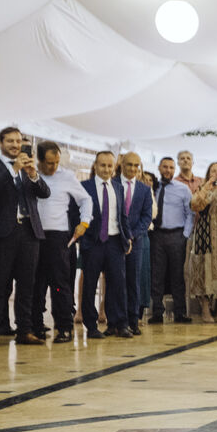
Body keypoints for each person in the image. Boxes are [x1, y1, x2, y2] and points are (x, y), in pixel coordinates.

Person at [0, 126, 50, 346]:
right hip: (3, 233)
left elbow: (45, 193)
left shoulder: (27, 169)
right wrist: (14, 169)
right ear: (0, 143)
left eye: (18, 141)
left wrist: (33, 174)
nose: (15, 145)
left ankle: (24, 330)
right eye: (10, 141)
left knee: (27, 285)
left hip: (29, 232)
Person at [32, 142, 91, 343]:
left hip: (57, 236)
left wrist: (84, 222)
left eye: (57, 162)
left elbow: (86, 200)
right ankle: (35, 325)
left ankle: (64, 327)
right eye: (49, 163)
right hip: (33, 235)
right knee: (36, 283)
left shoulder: (67, 176)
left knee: (60, 284)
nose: (54, 167)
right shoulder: (29, 174)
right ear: (39, 160)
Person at [79, 151, 132, 339]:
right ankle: (91, 326)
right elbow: (76, 213)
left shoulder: (118, 187)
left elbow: (123, 216)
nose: (106, 169)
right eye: (103, 165)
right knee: (90, 285)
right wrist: (82, 238)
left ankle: (119, 324)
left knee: (117, 284)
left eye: (110, 166)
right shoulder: (84, 187)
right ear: (95, 166)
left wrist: (127, 238)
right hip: (93, 243)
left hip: (115, 242)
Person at [149, 157, 194, 324]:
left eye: (171, 167)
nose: (168, 170)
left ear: (174, 170)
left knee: (177, 275)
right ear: (159, 168)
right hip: (157, 235)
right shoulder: (153, 188)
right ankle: (157, 312)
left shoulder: (183, 189)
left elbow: (190, 214)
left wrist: (185, 235)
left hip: (177, 235)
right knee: (157, 275)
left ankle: (180, 312)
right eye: (165, 167)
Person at [187, 163, 217, 322]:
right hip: (204, 235)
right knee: (203, 272)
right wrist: (206, 187)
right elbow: (194, 205)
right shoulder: (203, 190)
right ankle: (205, 308)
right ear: (208, 175)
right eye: (213, 171)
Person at [119, 153, 153, 335]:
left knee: (134, 282)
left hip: (135, 241)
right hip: (115, 241)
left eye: (136, 165)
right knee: (116, 282)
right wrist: (121, 236)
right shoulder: (113, 184)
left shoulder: (144, 190)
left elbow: (146, 218)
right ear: (122, 165)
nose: (132, 169)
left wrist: (131, 236)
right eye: (129, 165)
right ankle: (117, 322)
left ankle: (133, 321)